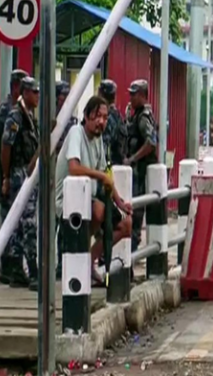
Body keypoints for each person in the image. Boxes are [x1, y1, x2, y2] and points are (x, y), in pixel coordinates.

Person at [55, 96, 133, 282]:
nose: (101, 122)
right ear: (87, 116)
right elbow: (74, 168)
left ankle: (88, 259)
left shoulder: (98, 140)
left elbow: (106, 174)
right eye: (97, 116)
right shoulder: (76, 132)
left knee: (126, 224)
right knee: (99, 211)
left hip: (88, 200)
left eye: (105, 118)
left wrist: (120, 202)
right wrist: (101, 176)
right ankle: (77, 255)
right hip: (68, 201)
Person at [0, 77, 40, 289]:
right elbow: (6, 147)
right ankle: (32, 270)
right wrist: (6, 177)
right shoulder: (15, 116)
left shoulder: (30, 116)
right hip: (18, 174)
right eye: (34, 92)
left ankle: (17, 271)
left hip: (28, 173)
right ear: (24, 93)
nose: (38, 96)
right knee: (27, 223)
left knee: (21, 223)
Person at [124, 80, 158, 252]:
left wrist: (133, 159)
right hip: (134, 172)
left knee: (136, 212)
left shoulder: (143, 116)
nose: (130, 97)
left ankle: (132, 249)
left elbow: (151, 142)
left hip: (140, 171)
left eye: (134, 94)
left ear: (143, 95)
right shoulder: (134, 113)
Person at [98, 80, 127, 167]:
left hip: (110, 166)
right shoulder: (117, 115)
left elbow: (104, 145)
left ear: (100, 95)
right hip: (119, 165)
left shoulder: (108, 118)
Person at [54, 81, 78, 155]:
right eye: (64, 95)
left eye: (68, 95)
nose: (67, 98)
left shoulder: (72, 120)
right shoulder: (51, 119)